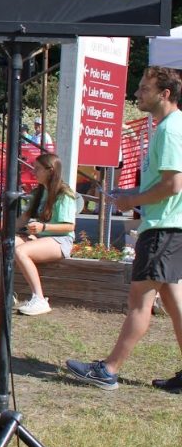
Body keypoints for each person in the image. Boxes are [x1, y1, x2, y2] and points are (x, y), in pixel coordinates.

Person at [66, 67, 182, 393]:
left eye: (145, 89)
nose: (137, 94)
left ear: (165, 94)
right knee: (174, 303)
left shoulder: (171, 130)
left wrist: (132, 199)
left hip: (162, 228)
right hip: (168, 227)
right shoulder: (169, 127)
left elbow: (173, 185)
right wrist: (131, 197)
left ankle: (109, 369)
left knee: (138, 302)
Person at [0, 152, 76, 316]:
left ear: (50, 171)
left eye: (38, 169)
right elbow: (23, 219)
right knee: (10, 243)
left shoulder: (64, 194)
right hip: (43, 238)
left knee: (21, 251)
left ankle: (39, 299)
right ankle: (8, 293)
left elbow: (69, 227)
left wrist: (43, 227)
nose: (34, 172)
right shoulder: (40, 192)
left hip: (61, 240)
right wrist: (3, 225)